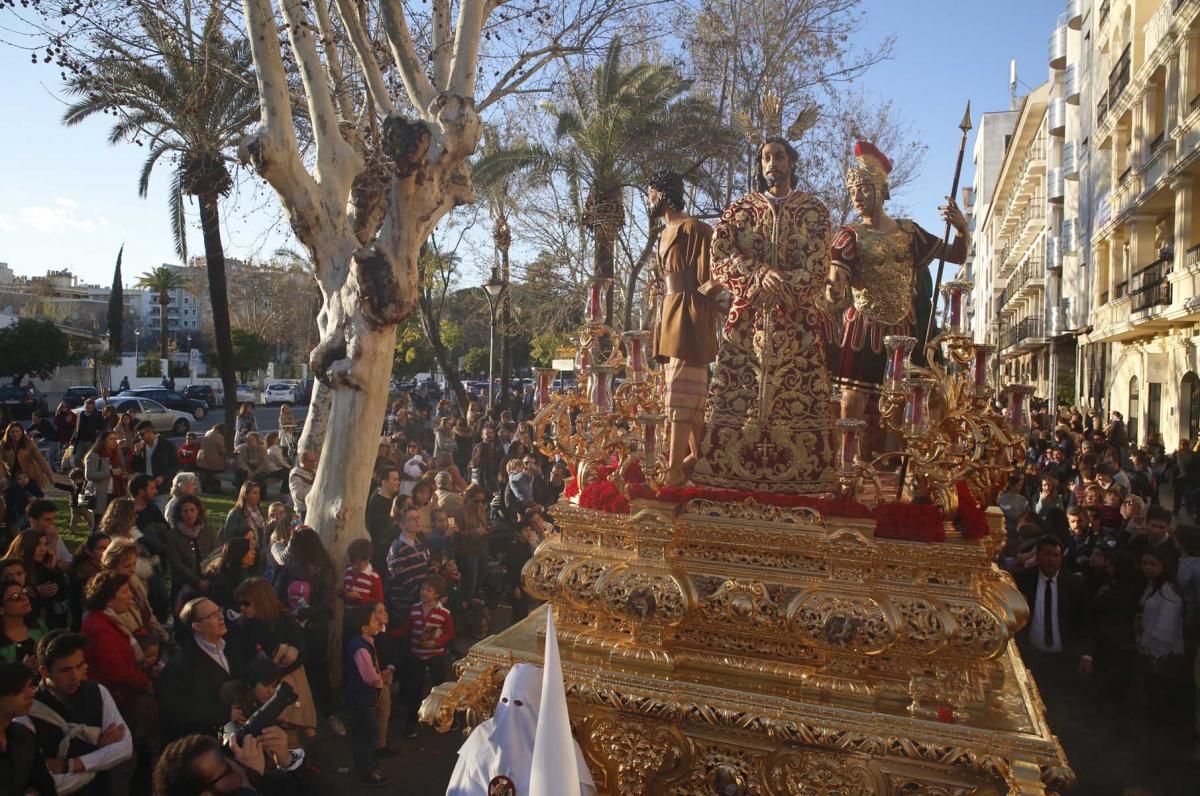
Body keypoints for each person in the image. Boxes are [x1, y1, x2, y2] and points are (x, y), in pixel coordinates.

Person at [691, 137, 835, 493]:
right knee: (735, 392)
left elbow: (819, 268)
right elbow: (720, 259)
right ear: (760, 166)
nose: (772, 164)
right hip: (747, 325)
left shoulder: (815, 212)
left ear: (792, 163)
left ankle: (806, 474)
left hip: (796, 326)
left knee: (799, 396)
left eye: (779, 157)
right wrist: (757, 274)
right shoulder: (739, 211)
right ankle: (727, 469)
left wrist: (780, 282)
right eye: (765, 158)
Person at [825, 141, 968, 456]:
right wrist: (833, 289)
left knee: (911, 403)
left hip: (904, 328)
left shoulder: (909, 233)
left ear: (879, 190)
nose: (857, 197)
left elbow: (956, 255)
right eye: (853, 192)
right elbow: (837, 276)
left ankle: (911, 469)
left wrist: (961, 229)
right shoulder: (849, 236)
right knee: (851, 400)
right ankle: (850, 468)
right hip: (863, 326)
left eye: (863, 189)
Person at [644, 169, 720, 486]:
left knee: (682, 395)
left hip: (689, 315)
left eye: (650, 194)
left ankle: (675, 469)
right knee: (678, 394)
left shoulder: (696, 229)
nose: (647, 201)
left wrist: (699, 305)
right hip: (669, 314)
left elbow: (716, 275)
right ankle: (700, 459)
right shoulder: (662, 233)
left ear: (662, 194)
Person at [445, 663, 596, 796]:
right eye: (505, 700)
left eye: (519, 703)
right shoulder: (481, 736)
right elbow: (462, 788)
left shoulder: (562, 747)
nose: (511, 711)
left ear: (540, 705)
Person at [20, 630, 135, 796]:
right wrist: (100, 756)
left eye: (80, 666)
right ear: (45, 672)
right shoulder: (27, 710)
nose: (75, 676)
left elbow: (124, 748)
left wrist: (70, 765)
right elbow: (46, 785)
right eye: (65, 670)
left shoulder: (97, 692)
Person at [79, 571, 158, 751]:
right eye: (124, 592)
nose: (130, 596)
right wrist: (146, 682)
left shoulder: (107, 620)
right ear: (108, 599)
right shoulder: (99, 628)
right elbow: (116, 672)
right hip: (119, 700)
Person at [231, 578, 317, 742]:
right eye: (239, 604)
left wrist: (275, 675)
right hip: (257, 682)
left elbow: (302, 653)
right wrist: (256, 683)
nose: (242, 608)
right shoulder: (242, 625)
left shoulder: (285, 620)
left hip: (284, 677)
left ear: (260, 600)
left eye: (246, 603)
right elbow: (237, 661)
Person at [274, 527, 340, 735]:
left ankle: (328, 713)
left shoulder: (323, 568)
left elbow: (326, 599)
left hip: (314, 627)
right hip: (291, 627)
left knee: (318, 670)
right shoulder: (289, 566)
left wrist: (306, 613)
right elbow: (278, 592)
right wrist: (287, 612)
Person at [158, 597, 246, 742]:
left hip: (238, 725)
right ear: (197, 626)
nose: (220, 617)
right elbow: (179, 710)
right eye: (212, 615)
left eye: (219, 611)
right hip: (207, 738)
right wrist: (224, 714)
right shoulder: (180, 665)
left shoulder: (232, 646)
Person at [342, 602, 391, 786]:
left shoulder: (362, 642)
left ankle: (366, 767)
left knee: (364, 734)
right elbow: (370, 677)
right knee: (367, 735)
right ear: (364, 628)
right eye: (373, 620)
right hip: (361, 699)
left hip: (359, 699)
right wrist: (382, 678)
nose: (378, 622)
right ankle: (367, 772)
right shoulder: (361, 648)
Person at [398, 574, 453, 739]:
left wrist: (437, 643)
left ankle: (446, 717)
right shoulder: (414, 609)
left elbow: (450, 633)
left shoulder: (444, 614)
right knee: (414, 689)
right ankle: (411, 722)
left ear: (437, 594)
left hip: (435, 655)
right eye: (423, 589)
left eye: (428, 590)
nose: (424, 592)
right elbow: (406, 629)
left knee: (440, 687)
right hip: (416, 655)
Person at [0, 660, 56, 795]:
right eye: (19, 689)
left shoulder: (23, 736)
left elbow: (45, 786)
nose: (30, 694)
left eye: (30, 686)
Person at [6, 529, 69, 631]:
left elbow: (61, 595)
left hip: (46, 624)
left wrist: (53, 570)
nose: (43, 549)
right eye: (38, 544)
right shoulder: (10, 570)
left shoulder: (42, 567)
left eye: (45, 544)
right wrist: (36, 592)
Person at [386, 506, 431, 621]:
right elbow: (408, 583)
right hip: (405, 607)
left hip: (423, 602)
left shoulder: (419, 544)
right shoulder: (397, 549)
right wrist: (428, 598)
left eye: (418, 517)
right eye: (412, 519)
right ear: (402, 524)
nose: (417, 521)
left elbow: (427, 570)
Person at [0, 579, 49, 665]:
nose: (24, 598)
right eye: (15, 597)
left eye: (24, 592)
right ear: (1, 609)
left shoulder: (38, 624)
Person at [68, 534, 110, 628]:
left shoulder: (107, 568)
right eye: (102, 548)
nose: (107, 552)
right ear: (89, 551)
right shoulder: (83, 575)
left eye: (109, 547)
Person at [203, 538, 256, 613]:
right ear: (240, 553)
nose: (254, 553)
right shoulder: (222, 580)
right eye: (250, 550)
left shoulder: (245, 572)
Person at [1, 422, 55, 492]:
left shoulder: (28, 443)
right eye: (13, 432)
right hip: (13, 476)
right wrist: (2, 476)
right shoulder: (3, 445)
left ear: (22, 432)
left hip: (30, 476)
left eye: (18, 431)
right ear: (8, 433)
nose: (15, 434)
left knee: (34, 498)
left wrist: (49, 475)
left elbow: (41, 460)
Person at [366, 467, 401, 570]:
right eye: (394, 480)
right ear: (384, 482)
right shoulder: (377, 503)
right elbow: (380, 531)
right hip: (381, 553)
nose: (398, 482)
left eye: (398, 479)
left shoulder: (389, 499)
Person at [84, 431, 126, 518]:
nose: (114, 441)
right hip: (101, 494)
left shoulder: (116, 455)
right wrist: (110, 472)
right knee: (99, 522)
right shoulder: (95, 456)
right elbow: (89, 475)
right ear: (103, 441)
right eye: (111, 439)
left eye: (115, 439)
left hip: (116, 493)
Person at [130, 420, 178, 492]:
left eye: (142, 434)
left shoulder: (167, 445)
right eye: (138, 435)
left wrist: (163, 477)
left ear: (150, 432)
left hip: (163, 488)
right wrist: (136, 453)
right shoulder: (141, 447)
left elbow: (175, 466)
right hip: (146, 488)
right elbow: (135, 468)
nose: (140, 437)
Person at [223, 481, 266, 548]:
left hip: (258, 550)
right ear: (246, 495)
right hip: (241, 549)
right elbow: (228, 536)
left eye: (259, 493)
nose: (258, 496)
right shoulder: (236, 513)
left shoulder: (259, 512)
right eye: (254, 493)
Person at [70, 398, 105, 467]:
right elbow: (77, 428)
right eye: (87, 406)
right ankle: (80, 472)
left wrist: (97, 432)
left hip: (92, 441)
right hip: (81, 440)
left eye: (90, 407)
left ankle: (88, 473)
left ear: (93, 407)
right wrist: (73, 438)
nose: (88, 408)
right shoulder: (81, 415)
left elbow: (102, 427)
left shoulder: (97, 415)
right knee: (76, 459)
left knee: (89, 459)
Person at [196, 424, 227, 494]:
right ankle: (215, 490)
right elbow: (222, 450)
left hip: (201, 459)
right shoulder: (219, 436)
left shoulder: (207, 433)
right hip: (212, 462)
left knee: (205, 476)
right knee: (215, 473)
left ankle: (205, 488)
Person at [288, 450, 317, 521]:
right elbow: (298, 495)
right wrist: (315, 488)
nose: (313, 464)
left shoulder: (313, 471)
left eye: (314, 461)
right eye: (311, 461)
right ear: (303, 461)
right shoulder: (296, 475)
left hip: (315, 509)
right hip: (304, 512)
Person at [262, 432, 290, 497]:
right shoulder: (274, 448)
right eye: (277, 438)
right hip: (273, 470)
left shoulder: (267, 447)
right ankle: (284, 492)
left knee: (286, 471)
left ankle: (284, 492)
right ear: (273, 439)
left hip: (269, 469)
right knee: (289, 473)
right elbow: (280, 462)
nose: (279, 439)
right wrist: (290, 467)